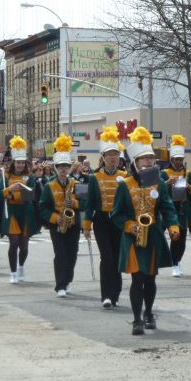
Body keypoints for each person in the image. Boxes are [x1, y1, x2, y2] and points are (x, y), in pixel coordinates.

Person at [111, 127, 180, 335]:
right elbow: (116, 214)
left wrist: (173, 226)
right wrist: (131, 226)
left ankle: (149, 312)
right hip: (133, 238)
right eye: (144, 159)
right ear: (135, 163)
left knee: (150, 278)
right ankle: (136, 319)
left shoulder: (159, 184)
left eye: (151, 158)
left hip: (153, 237)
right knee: (137, 278)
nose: (149, 162)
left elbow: (168, 208)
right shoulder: (125, 185)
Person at [83, 126, 127, 309]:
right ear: (103, 157)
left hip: (119, 221)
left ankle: (116, 293)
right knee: (106, 257)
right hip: (101, 220)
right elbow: (90, 202)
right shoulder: (95, 177)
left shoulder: (125, 176)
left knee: (118, 258)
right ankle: (106, 295)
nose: (113, 157)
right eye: (109, 154)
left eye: (116, 154)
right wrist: (86, 225)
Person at [40, 134, 81, 298]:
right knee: (61, 254)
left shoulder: (76, 184)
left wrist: (75, 204)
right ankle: (60, 285)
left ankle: (68, 280)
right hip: (57, 224)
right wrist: (56, 218)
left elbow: (84, 203)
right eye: (61, 166)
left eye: (66, 166)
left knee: (72, 253)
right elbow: (42, 207)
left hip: (74, 223)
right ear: (56, 168)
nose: (64, 169)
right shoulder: (49, 185)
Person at [0, 136, 41, 283]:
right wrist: (9, 189)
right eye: (18, 162)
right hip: (12, 213)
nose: (20, 164)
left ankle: (21, 266)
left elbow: (31, 195)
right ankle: (13, 272)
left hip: (26, 212)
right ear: (14, 162)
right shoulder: (5, 176)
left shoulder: (30, 177)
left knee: (24, 246)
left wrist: (12, 194)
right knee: (13, 242)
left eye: (22, 162)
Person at [161, 135, 191, 277]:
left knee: (182, 241)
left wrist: (188, 187)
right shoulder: (164, 173)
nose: (179, 162)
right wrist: (166, 183)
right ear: (171, 160)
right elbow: (157, 189)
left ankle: (177, 260)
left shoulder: (187, 173)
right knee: (174, 237)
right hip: (169, 209)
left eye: (181, 159)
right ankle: (173, 262)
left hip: (182, 209)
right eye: (176, 159)